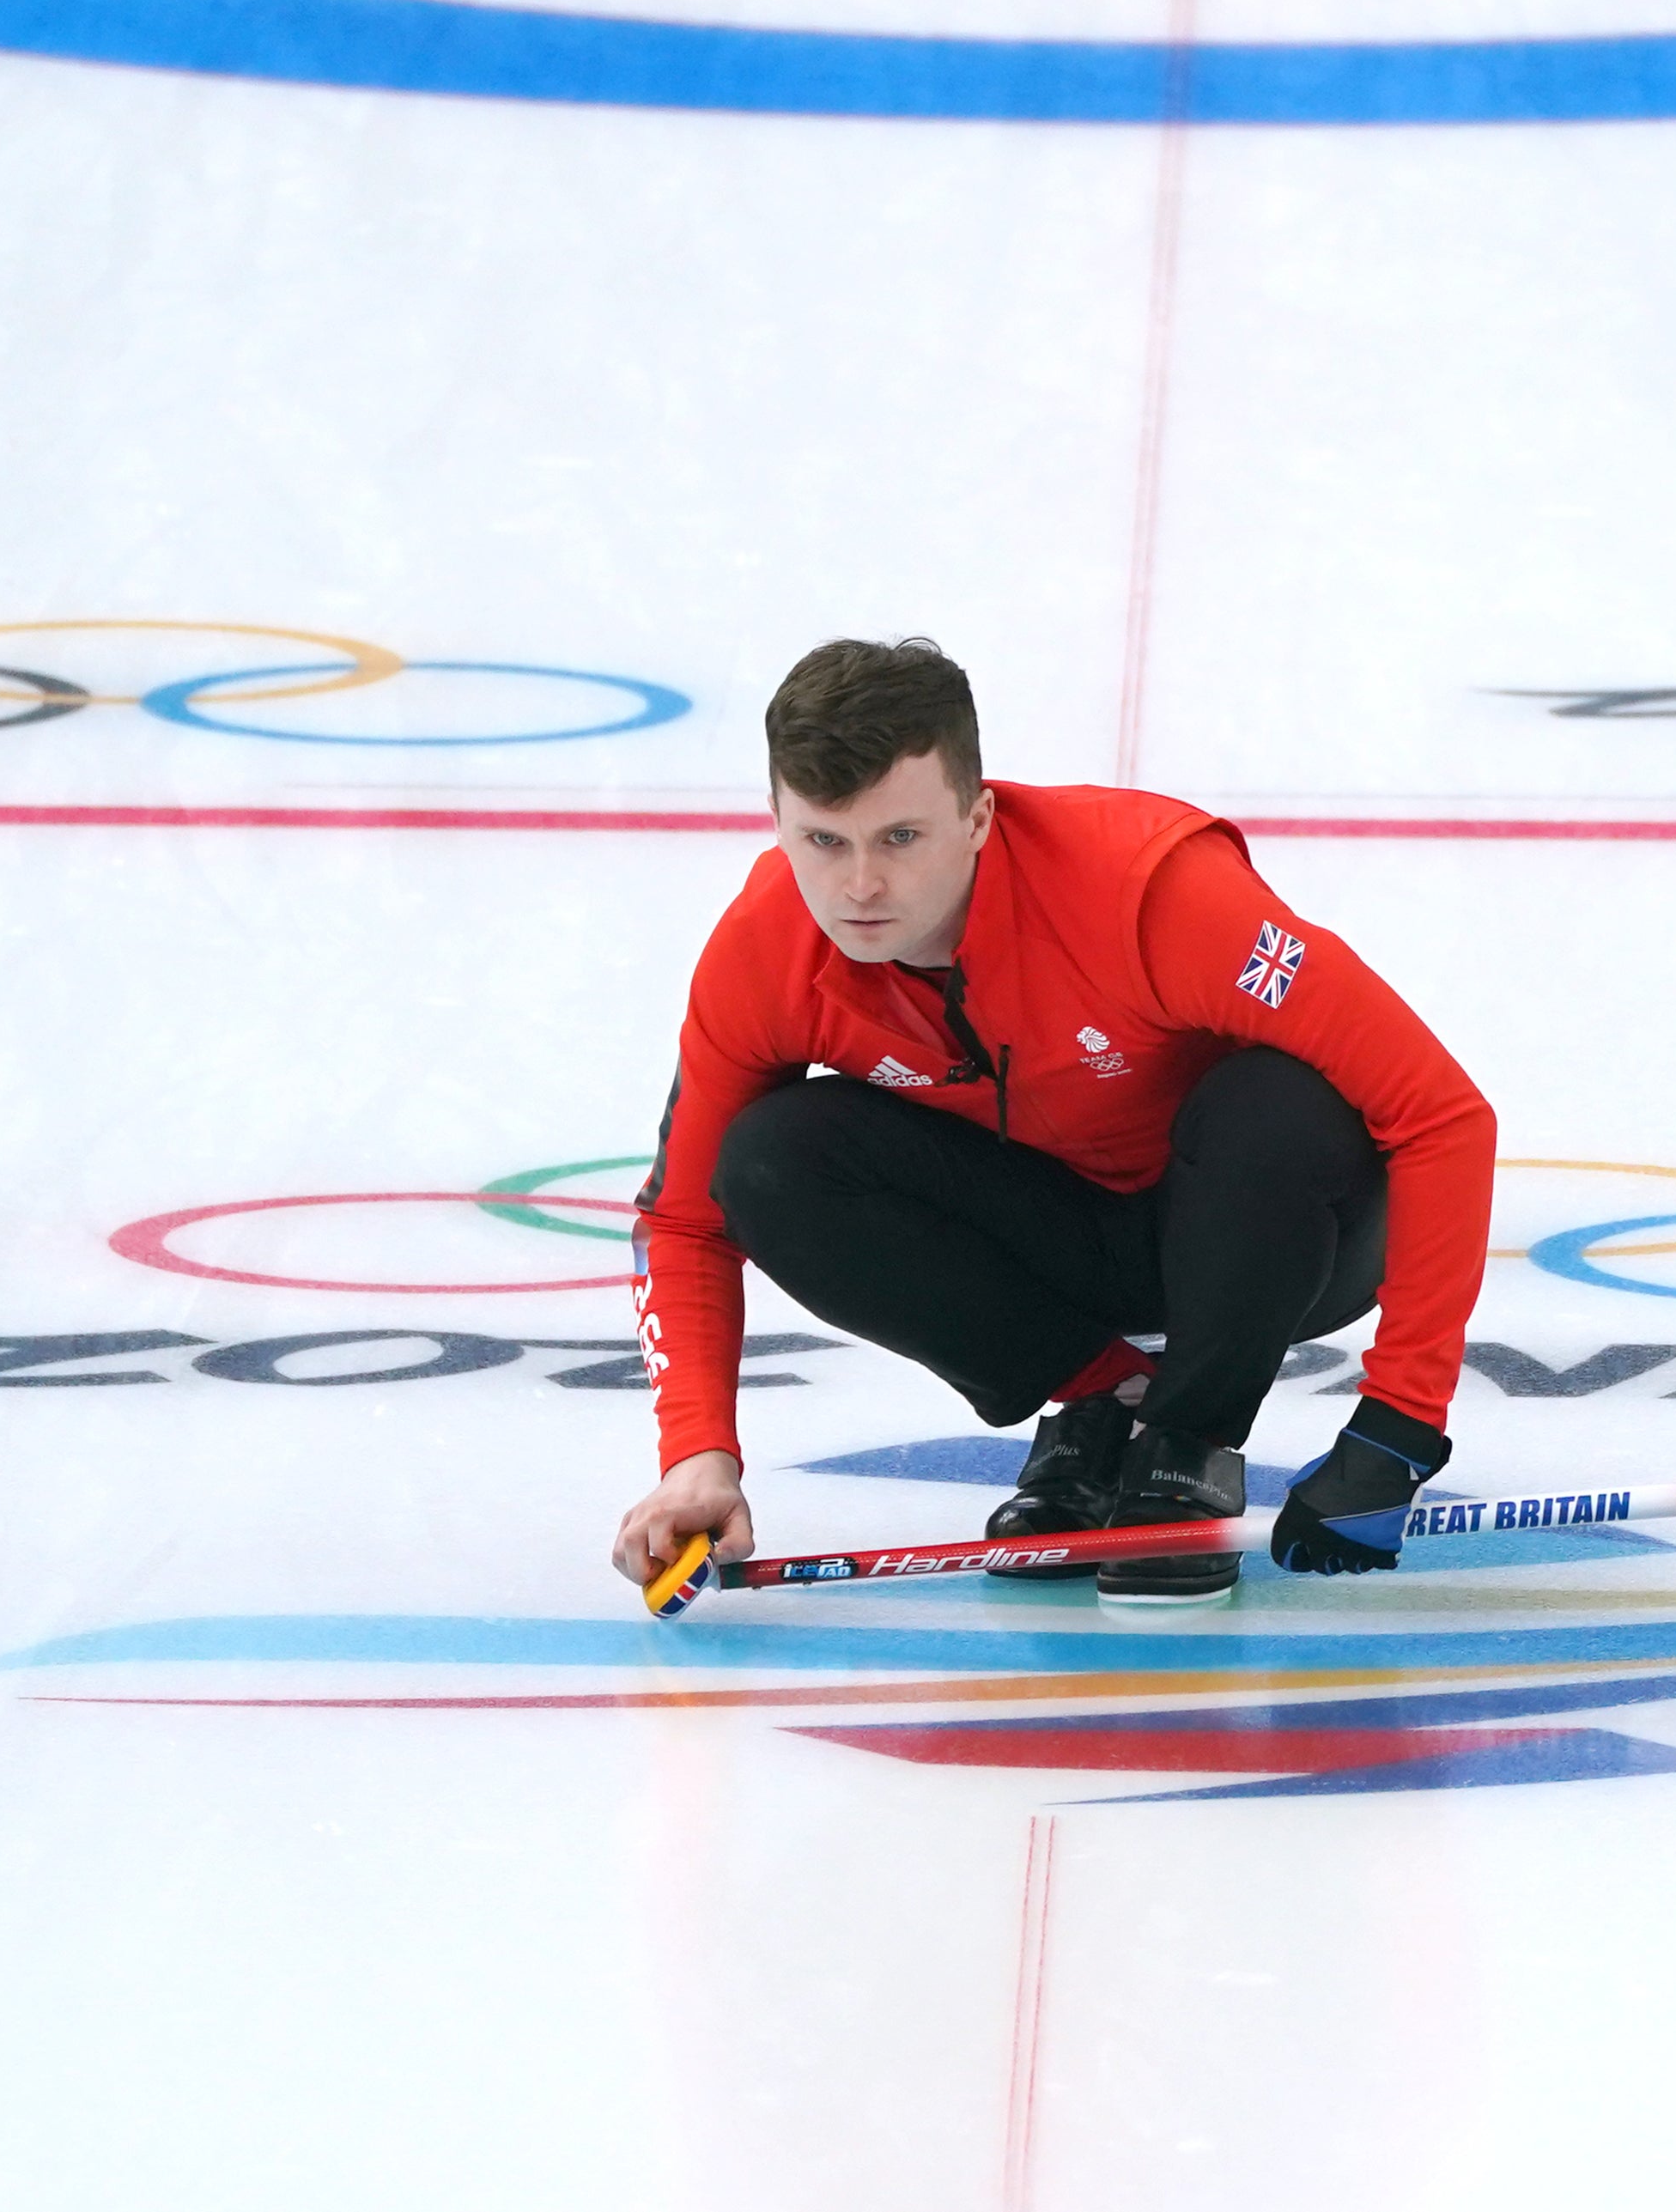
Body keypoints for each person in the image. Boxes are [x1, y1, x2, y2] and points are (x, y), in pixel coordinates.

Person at [607, 637, 1496, 1606]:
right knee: (772, 1156)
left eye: (900, 838)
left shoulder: (1151, 891)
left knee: (1279, 1101)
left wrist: (1398, 1423)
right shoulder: (762, 953)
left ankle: (1185, 1445)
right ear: (776, 820)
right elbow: (686, 1218)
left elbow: (1442, 1114)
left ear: (978, 815)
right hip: (1059, 1242)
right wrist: (698, 1452)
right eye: (824, 840)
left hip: (1273, 1231)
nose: (859, 886)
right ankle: (1100, 1400)